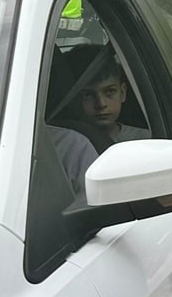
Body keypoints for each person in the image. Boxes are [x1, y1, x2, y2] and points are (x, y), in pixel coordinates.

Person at [45, 46, 151, 192]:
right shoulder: (64, 148)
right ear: (72, 99)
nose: (101, 104)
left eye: (110, 91)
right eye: (87, 95)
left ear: (123, 92)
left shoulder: (146, 141)